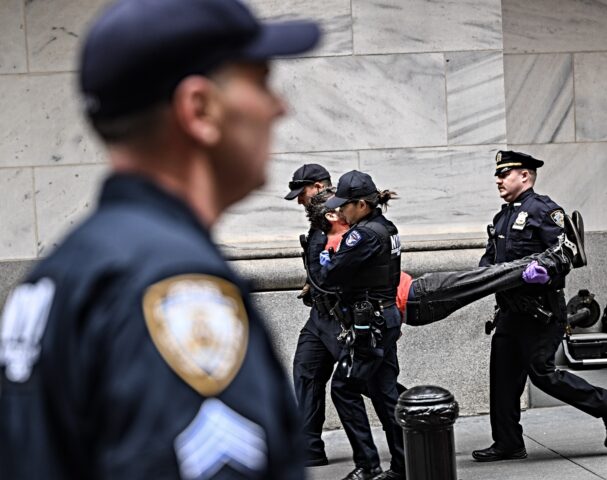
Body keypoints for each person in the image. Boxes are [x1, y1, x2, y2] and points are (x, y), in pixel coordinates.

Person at [0, 0, 321, 478]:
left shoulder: (62, 271)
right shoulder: (173, 286)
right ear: (199, 109)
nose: (279, 107)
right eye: (259, 80)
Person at [471, 150, 607, 463]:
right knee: (502, 378)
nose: (498, 180)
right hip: (509, 312)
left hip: (540, 313)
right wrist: (483, 273)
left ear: (525, 176)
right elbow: (489, 259)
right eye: (498, 174)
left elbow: (567, 253)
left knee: (543, 373)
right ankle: (508, 443)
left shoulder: (545, 210)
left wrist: (546, 270)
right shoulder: (501, 217)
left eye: (505, 174)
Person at [319, 170, 405, 480]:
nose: (340, 211)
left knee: (343, 389)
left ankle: (369, 466)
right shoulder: (387, 227)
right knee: (385, 392)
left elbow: (331, 274)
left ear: (362, 205)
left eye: (345, 205)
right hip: (385, 317)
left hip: (371, 324)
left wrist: (327, 259)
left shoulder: (364, 234)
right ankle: (403, 465)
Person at [284, 164, 340, 467]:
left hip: (339, 316)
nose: (298, 200)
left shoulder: (339, 215)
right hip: (319, 317)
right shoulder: (319, 220)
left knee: (369, 381)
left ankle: (424, 423)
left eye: (301, 192)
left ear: (318, 186)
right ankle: (308, 448)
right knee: (306, 371)